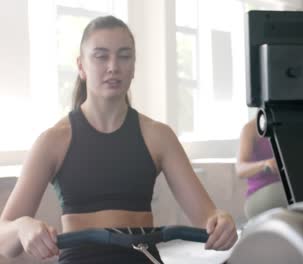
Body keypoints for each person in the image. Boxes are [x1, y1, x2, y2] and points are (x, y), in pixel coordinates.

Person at [0, 16, 237, 264]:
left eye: (124, 56)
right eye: (101, 56)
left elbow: (208, 217)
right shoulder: (53, 141)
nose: (113, 66)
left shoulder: (158, 136)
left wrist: (222, 222)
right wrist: (21, 227)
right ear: (81, 66)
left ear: (133, 66)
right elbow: (4, 240)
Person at [236, 118, 303, 220]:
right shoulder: (250, 129)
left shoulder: (292, 126)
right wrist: (264, 164)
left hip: (292, 187)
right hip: (260, 193)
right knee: (300, 195)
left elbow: (302, 160)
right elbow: (240, 169)